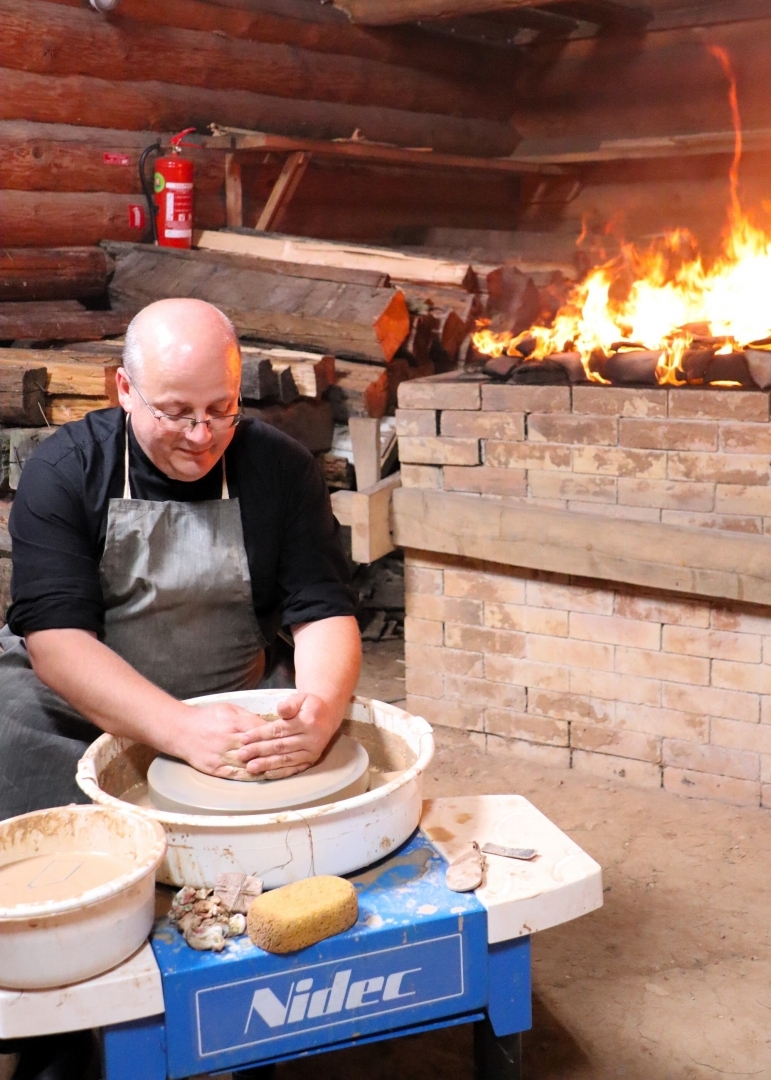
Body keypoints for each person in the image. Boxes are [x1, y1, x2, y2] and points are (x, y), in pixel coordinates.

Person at [0, 297, 361, 821]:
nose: (201, 436)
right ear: (125, 390)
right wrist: (180, 730)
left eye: (221, 409)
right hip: (84, 709)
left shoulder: (280, 467)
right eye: (176, 413)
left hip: (235, 696)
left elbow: (323, 609)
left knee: (318, 720)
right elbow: (56, 642)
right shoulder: (64, 470)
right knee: (9, 720)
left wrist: (319, 714)